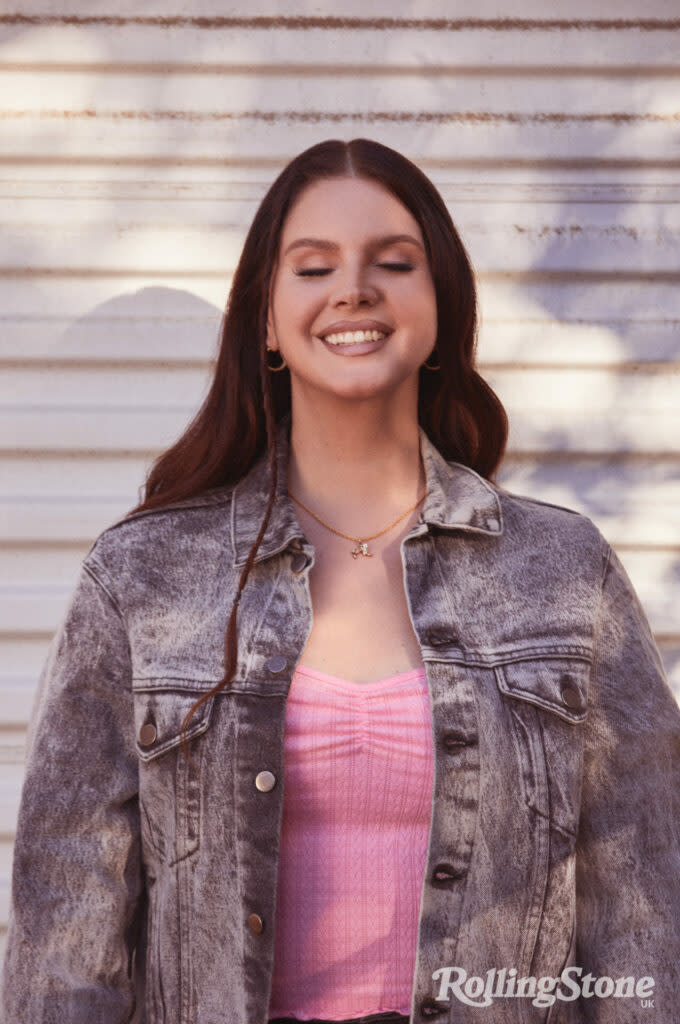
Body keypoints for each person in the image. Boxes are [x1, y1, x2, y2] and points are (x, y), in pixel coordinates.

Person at [2, 138, 679, 1024]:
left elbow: (644, 915)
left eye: (393, 264)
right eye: (313, 266)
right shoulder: (142, 577)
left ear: (440, 307)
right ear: (268, 322)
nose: (353, 289)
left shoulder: (563, 571)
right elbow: (67, 933)